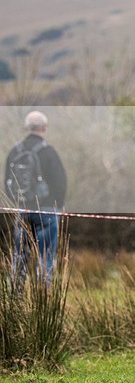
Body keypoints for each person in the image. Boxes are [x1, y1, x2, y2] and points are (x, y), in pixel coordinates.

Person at [4, 111, 67, 283]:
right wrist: (57, 207)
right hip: (46, 211)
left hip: (22, 210)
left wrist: (18, 202)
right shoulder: (49, 152)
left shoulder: (14, 152)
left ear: (26, 128)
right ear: (44, 128)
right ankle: (44, 302)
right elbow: (61, 184)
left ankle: (15, 301)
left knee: (20, 259)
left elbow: (7, 183)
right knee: (45, 259)